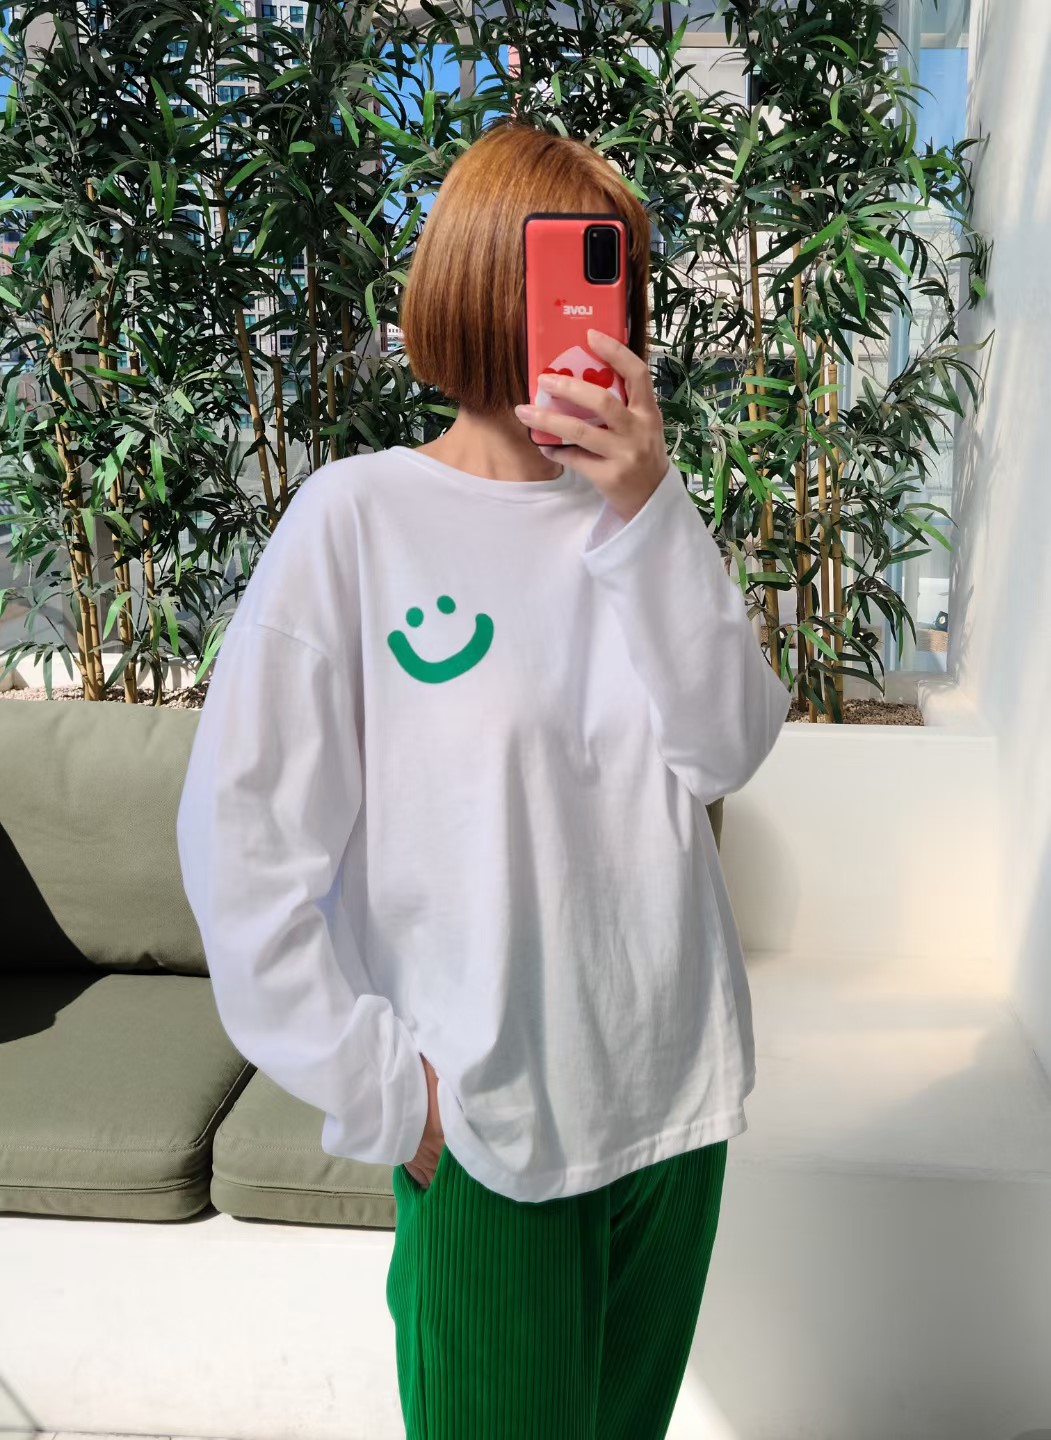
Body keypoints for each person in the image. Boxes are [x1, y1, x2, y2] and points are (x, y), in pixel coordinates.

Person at [176, 119, 790, 1440]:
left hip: (674, 1109)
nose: (596, 309)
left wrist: (652, 507)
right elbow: (244, 845)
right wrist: (386, 1089)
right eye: (568, 270)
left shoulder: (642, 517)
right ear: (480, 284)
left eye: (612, 276)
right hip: (490, 1129)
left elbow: (729, 747)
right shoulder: (355, 520)